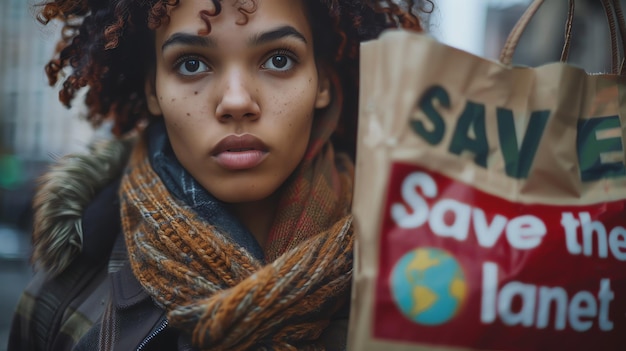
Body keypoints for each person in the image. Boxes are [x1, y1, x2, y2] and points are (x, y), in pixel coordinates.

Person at [9, 0, 429, 349]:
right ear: (154, 90)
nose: (236, 101)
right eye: (192, 64)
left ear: (321, 80)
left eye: (278, 59)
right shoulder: (63, 300)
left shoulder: (425, 282)